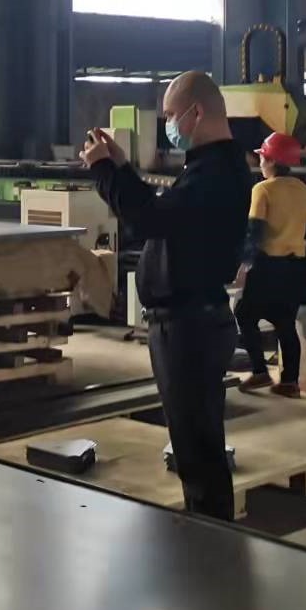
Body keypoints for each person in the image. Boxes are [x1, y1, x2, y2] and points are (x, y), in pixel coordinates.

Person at [81, 71, 250, 520]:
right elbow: (165, 213)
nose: (170, 126)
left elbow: (150, 219)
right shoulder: (212, 168)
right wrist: (122, 168)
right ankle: (210, 533)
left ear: (197, 113)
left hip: (189, 327)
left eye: (172, 116)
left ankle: (211, 539)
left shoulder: (214, 175)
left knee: (197, 453)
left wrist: (104, 172)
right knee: (198, 445)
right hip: (192, 321)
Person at [235, 132, 306, 397]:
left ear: (272, 161)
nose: (260, 163)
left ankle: (260, 371)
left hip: (267, 266)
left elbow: (254, 232)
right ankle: (290, 382)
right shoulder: (303, 190)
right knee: (285, 323)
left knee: (244, 314)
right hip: (295, 267)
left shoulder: (262, 190)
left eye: (263, 158)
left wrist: (244, 266)